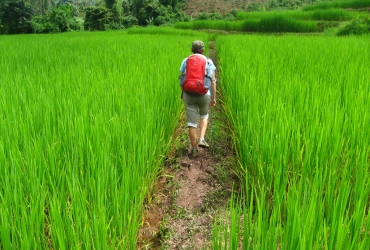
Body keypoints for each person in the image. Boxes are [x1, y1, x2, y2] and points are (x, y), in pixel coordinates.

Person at [179, 40, 217, 157]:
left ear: (192, 49)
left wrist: (183, 93)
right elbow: (213, 82)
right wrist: (213, 98)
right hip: (204, 93)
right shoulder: (208, 61)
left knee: (191, 123)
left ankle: (194, 149)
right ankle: (202, 138)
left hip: (188, 94)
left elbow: (182, 79)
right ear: (203, 50)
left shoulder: (186, 60)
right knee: (204, 115)